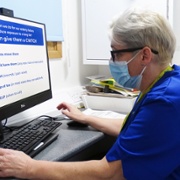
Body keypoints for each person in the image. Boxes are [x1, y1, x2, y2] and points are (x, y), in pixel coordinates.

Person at [0, 7, 179, 180]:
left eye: (115, 53)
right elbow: (137, 131)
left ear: (144, 56)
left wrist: (29, 167)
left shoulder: (165, 101)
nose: (111, 60)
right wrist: (87, 118)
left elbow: (110, 173)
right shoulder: (165, 82)